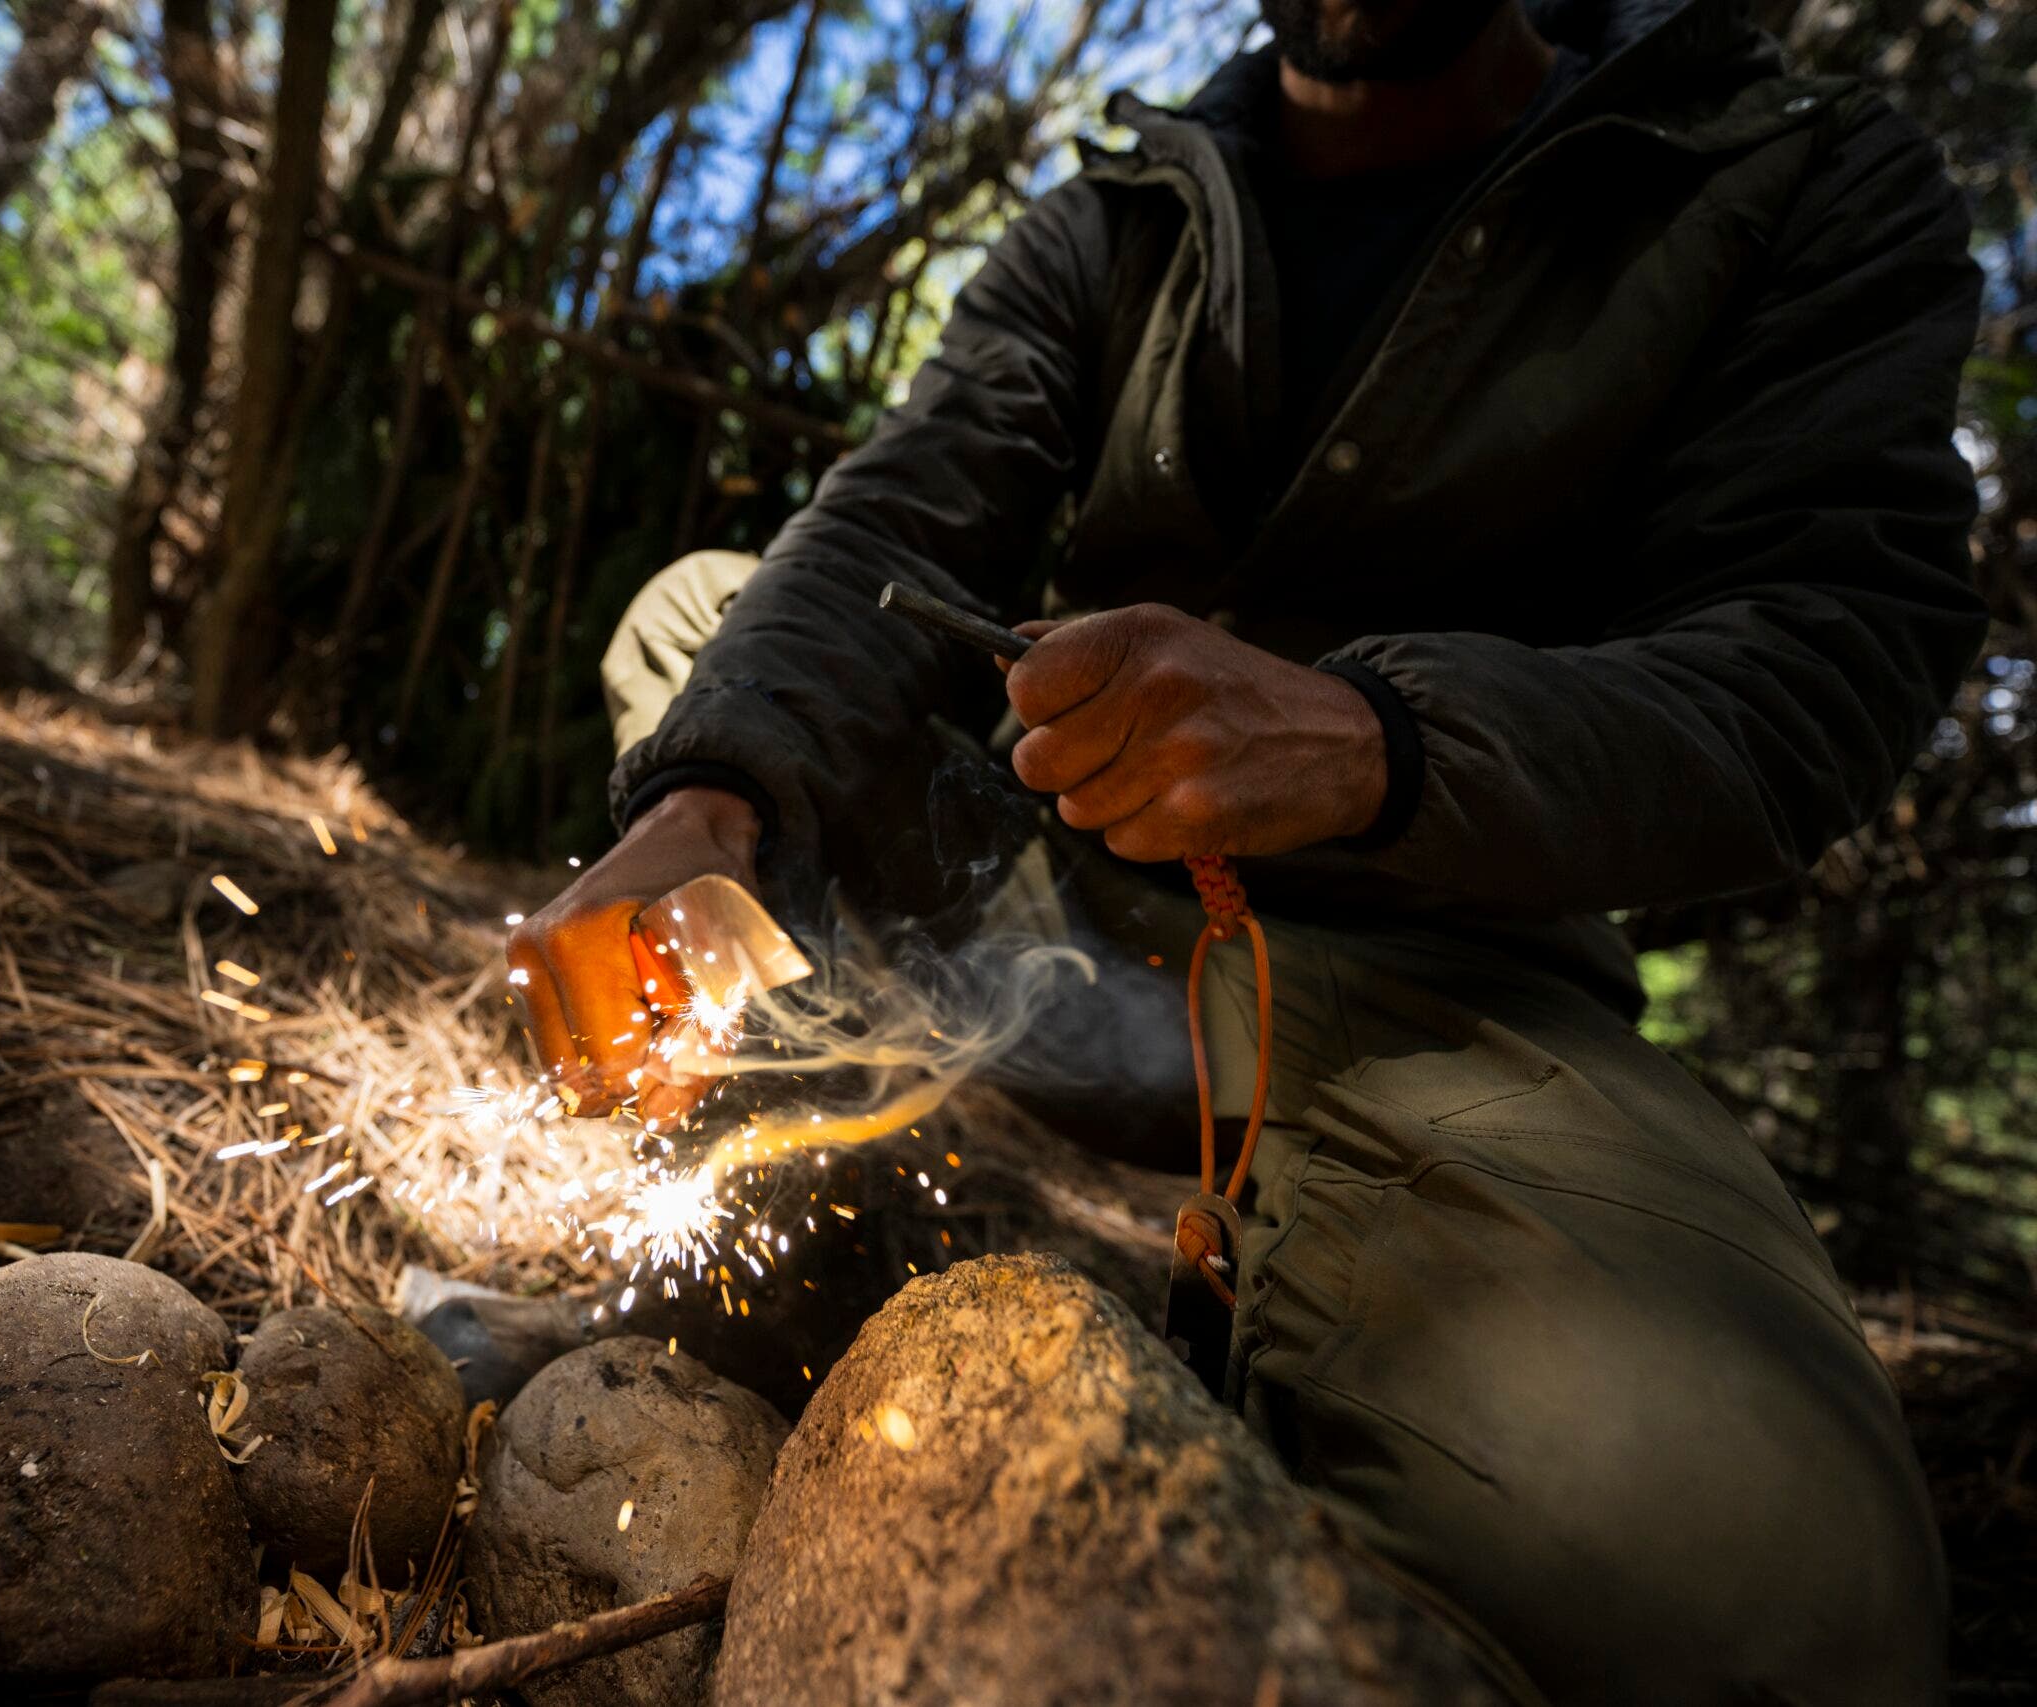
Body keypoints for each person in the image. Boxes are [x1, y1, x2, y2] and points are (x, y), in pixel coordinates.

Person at [508, 0, 1984, 1697]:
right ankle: (806, 1232)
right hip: (1042, 893)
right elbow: (898, 515)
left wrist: (1379, 742)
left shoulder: (1777, 178)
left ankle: (1307, 1314)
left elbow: (1822, 655)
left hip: (1439, 977)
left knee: (1775, 1601)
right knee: (709, 628)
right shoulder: (1122, 217)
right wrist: (710, 806)